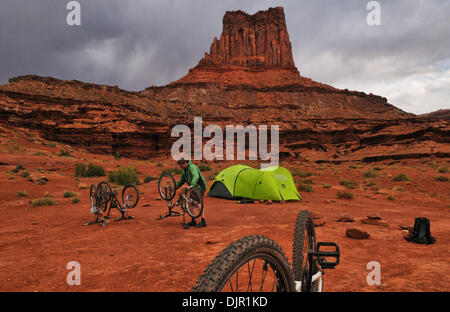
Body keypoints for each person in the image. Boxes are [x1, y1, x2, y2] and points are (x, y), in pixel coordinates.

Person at [175, 158, 207, 228]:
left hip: (200, 187)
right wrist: (175, 187)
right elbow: (181, 180)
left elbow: (196, 176)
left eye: (180, 165)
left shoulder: (192, 167)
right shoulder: (184, 170)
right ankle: (193, 220)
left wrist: (192, 185)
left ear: (184, 163)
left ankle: (203, 221)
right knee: (190, 203)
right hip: (193, 188)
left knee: (198, 203)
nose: (180, 167)